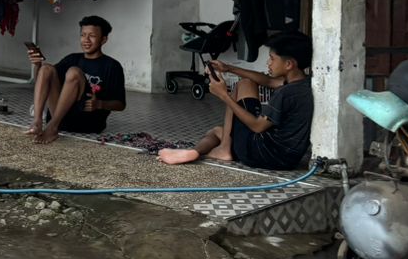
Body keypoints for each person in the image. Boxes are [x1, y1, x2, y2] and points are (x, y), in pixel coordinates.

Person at [159, 32, 313, 169]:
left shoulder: (285, 93)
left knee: (239, 94)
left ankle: (218, 149)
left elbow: (258, 126)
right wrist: (228, 68)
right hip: (286, 158)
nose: (268, 63)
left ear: (289, 64)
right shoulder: (304, 84)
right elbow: (268, 81)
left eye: (272, 59)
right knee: (220, 130)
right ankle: (207, 150)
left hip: (263, 154)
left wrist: (224, 95)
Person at [26, 15, 126, 144]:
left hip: (87, 123)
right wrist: (37, 65)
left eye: (92, 36)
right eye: (83, 35)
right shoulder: (72, 58)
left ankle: (52, 128)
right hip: (60, 118)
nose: (86, 40)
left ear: (103, 39)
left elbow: (121, 104)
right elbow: (44, 82)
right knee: (46, 69)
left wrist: (100, 104)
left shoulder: (112, 66)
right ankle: (37, 122)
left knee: (74, 72)